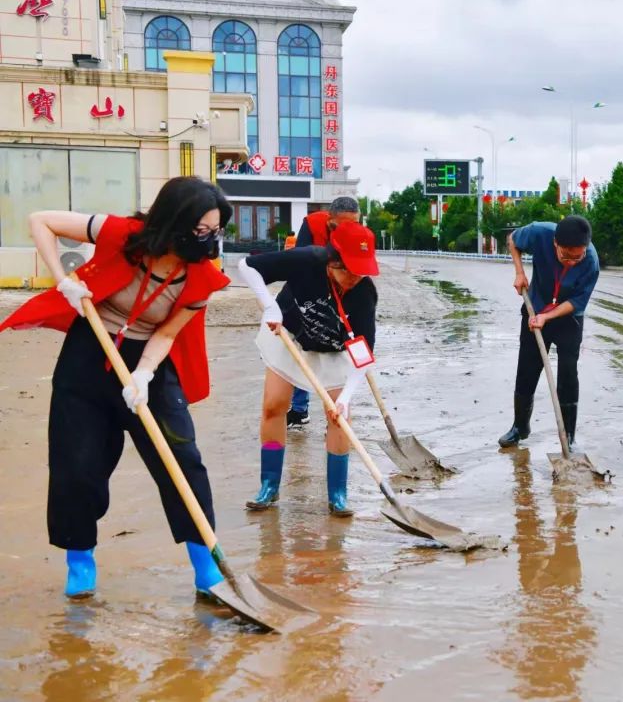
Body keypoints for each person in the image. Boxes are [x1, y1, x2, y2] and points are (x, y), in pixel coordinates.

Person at [0, 176, 232, 600]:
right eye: (202, 231)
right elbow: (40, 221)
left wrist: (143, 375)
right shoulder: (121, 234)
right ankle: (80, 560)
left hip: (150, 367)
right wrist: (63, 280)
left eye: (216, 231)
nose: (210, 240)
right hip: (89, 355)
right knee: (76, 464)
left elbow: (166, 334)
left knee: (181, 462)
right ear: (174, 221)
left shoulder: (202, 278)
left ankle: (207, 570)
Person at [237, 219, 379, 516]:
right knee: (274, 406)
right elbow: (246, 266)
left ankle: (337, 494)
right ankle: (269, 486)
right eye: (348, 269)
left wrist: (345, 398)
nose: (355, 277)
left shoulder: (364, 293)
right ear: (332, 260)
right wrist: (269, 306)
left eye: (361, 270)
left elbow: (363, 356)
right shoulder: (308, 259)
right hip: (290, 339)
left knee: (341, 419)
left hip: (333, 352)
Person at [498, 216, 600, 449]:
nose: (572, 262)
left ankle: (569, 437)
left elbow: (577, 301)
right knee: (527, 368)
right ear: (555, 243)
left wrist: (548, 316)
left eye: (578, 256)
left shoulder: (591, 262)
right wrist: (519, 272)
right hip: (535, 307)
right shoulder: (538, 233)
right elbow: (512, 240)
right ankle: (519, 427)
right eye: (566, 256)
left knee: (567, 372)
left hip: (568, 319)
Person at [285, 197, 362, 429]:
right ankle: (299, 410)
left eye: (355, 223)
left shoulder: (359, 235)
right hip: (310, 295)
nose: (351, 228)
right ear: (330, 220)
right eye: (344, 224)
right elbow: (299, 263)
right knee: (305, 352)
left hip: (342, 295)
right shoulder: (313, 225)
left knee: (338, 355)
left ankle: (339, 410)